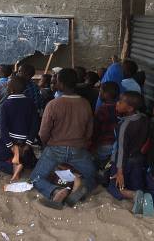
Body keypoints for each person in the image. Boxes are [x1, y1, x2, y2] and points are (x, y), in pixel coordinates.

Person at [30, 68, 95, 209]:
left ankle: (56, 191)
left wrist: (48, 146)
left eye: (56, 80)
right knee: (92, 178)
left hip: (55, 148)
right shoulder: (85, 104)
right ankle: (78, 183)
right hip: (78, 149)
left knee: (36, 177)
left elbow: (43, 133)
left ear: (61, 84)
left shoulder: (53, 104)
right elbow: (89, 132)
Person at [0, 76, 38, 182]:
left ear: (11, 90)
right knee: (31, 162)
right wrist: (28, 144)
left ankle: (13, 167)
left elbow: (4, 127)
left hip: (11, 140)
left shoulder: (6, 104)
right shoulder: (30, 103)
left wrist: (10, 145)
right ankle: (21, 161)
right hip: (25, 140)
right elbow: (35, 124)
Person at [107, 91, 149, 201]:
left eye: (120, 102)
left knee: (114, 187)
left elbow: (121, 149)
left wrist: (119, 171)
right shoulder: (143, 118)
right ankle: (140, 194)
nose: (117, 103)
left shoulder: (124, 125)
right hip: (138, 159)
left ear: (130, 108)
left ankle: (133, 196)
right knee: (136, 184)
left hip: (123, 162)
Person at [92, 82, 119, 167]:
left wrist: (92, 144)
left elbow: (95, 129)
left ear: (106, 94)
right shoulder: (120, 108)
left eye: (101, 91)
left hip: (104, 144)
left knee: (99, 164)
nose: (99, 93)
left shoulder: (102, 109)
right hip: (116, 144)